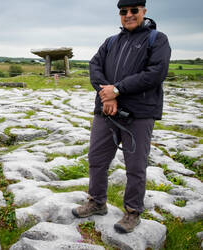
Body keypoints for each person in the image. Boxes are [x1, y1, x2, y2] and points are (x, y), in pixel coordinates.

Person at [72, 0, 171, 233]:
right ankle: (97, 202)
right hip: (106, 112)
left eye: (133, 11)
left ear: (143, 12)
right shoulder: (111, 42)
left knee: (135, 166)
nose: (128, 15)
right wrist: (107, 96)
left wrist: (117, 90)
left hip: (139, 114)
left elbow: (155, 73)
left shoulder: (157, 39)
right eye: (123, 12)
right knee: (96, 159)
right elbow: (94, 66)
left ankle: (132, 212)